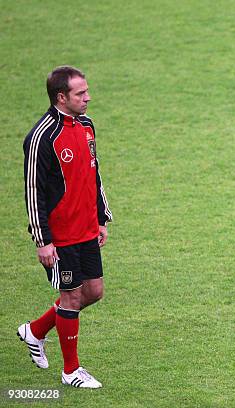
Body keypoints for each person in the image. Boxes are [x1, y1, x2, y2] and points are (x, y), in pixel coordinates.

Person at [18, 66, 112, 387]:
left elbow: (93, 173)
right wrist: (42, 241)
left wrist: (101, 217)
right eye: (80, 93)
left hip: (86, 229)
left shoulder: (87, 126)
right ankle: (71, 371)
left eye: (86, 91)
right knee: (71, 298)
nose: (88, 98)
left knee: (93, 292)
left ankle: (35, 330)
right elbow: (34, 191)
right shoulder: (42, 137)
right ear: (61, 97)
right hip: (61, 237)